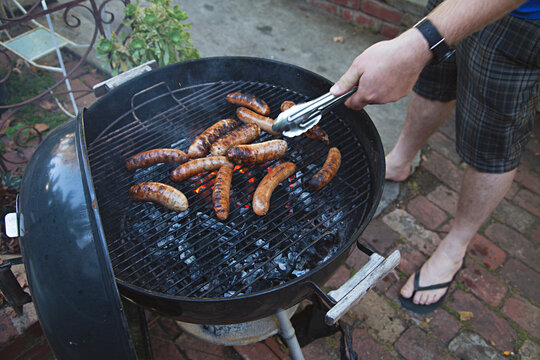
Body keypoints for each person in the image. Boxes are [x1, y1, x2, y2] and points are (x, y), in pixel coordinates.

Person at [330, 0, 540, 313]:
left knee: (492, 139)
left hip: (522, 16)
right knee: (433, 82)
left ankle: (456, 246)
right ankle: (401, 160)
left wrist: (421, 42)